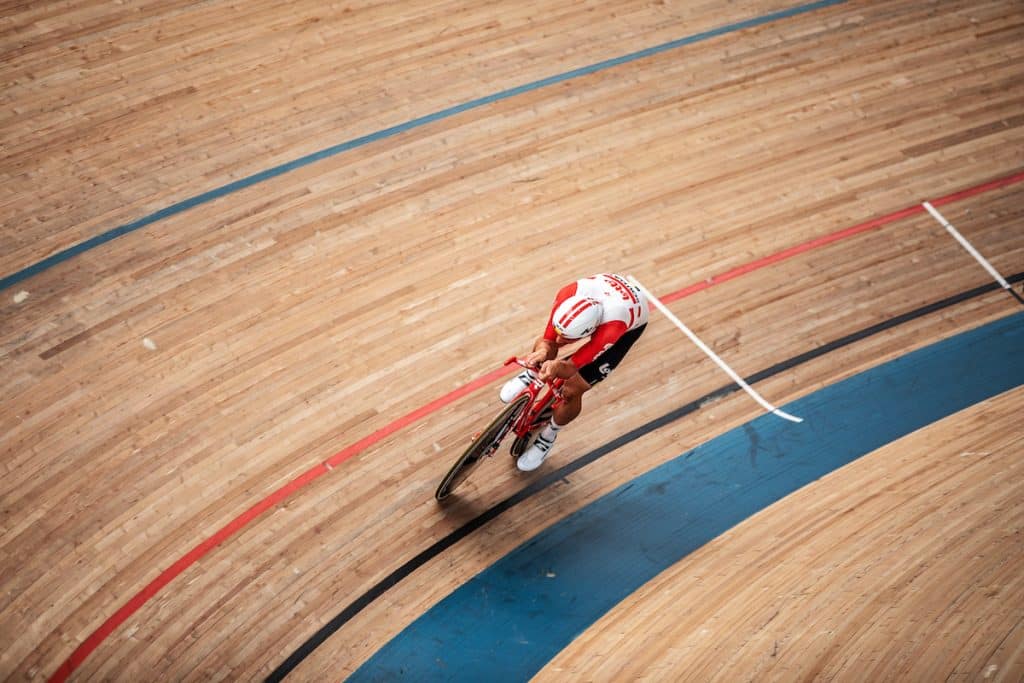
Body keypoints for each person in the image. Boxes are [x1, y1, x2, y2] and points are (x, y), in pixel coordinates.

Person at [501, 273, 649, 471]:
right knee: (549, 345)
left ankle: (549, 435)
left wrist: (556, 367)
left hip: (628, 323)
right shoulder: (568, 294)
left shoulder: (612, 328)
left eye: (571, 340)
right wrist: (544, 353)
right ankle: (531, 373)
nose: (566, 343)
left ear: (591, 330)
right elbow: (549, 341)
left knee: (572, 388)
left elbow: (571, 367)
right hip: (602, 297)